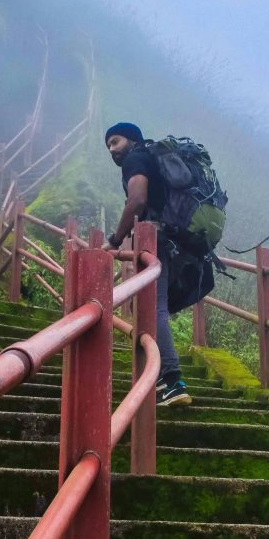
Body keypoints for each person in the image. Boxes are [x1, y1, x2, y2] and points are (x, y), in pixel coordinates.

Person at [102, 122, 192, 407]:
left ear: (131, 140)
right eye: (109, 147)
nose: (112, 150)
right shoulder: (150, 159)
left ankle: (173, 380)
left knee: (155, 307)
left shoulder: (136, 159)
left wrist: (114, 241)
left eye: (115, 142)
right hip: (171, 239)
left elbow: (137, 200)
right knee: (157, 306)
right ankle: (167, 379)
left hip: (156, 239)